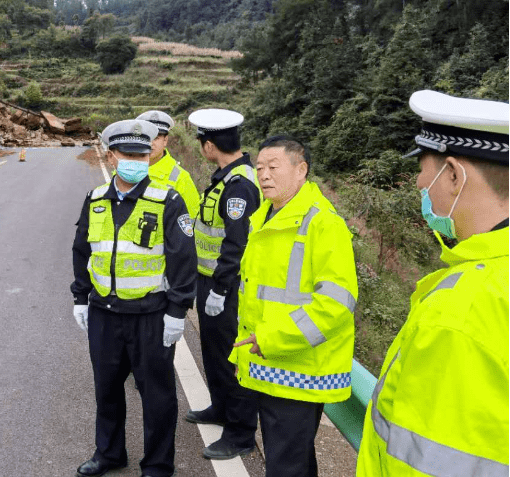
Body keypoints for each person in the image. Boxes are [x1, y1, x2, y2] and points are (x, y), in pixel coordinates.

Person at [356, 90, 509, 477]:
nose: (419, 184)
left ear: (454, 175)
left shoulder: (461, 312)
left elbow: (427, 461)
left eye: (423, 169)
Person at [71, 119, 197, 477]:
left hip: (150, 315)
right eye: (128, 154)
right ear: (111, 157)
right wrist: (81, 297)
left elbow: (183, 259)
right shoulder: (95, 200)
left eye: (141, 155)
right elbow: (82, 251)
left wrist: (177, 310)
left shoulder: (167, 201)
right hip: (105, 315)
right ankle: (109, 453)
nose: (136, 161)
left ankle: (157, 465)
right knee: (106, 390)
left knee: (157, 396)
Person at [230, 134, 357, 477]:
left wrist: (271, 338)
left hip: (298, 367)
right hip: (271, 363)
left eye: (273, 167)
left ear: (301, 170)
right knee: (293, 460)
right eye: (259, 168)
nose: (264, 175)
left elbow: (336, 302)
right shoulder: (267, 217)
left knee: (286, 465)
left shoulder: (322, 223)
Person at [184, 109, 261, 460]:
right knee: (214, 353)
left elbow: (236, 242)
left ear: (210, 145)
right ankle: (219, 408)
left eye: (202, 142)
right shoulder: (225, 177)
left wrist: (220, 287)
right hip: (210, 280)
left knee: (232, 359)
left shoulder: (239, 185)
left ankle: (241, 434)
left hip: (226, 288)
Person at [135, 110, 200, 217]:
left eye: (156, 138)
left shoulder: (181, 178)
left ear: (165, 140)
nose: (150, 144)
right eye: (146, 137)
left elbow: (192, 221)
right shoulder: (126, 170)